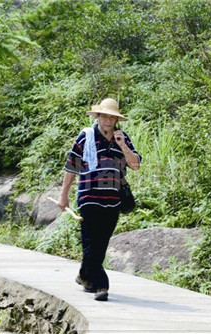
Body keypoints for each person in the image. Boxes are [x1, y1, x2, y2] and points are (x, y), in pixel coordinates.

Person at [58, 98, 141, 301]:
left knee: (100, 243)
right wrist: (64, 195)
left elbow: (135, 164)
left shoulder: (123, 138)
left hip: (113, 199)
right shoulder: (85, 137)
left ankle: (84, 275)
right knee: (90, 240)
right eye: (105, 116)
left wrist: (123, 146)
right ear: (98, 116)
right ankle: (101, 286)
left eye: (112, 117)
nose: (108, 121)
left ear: (116, 120)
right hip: (89, 197)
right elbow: (71, 168)